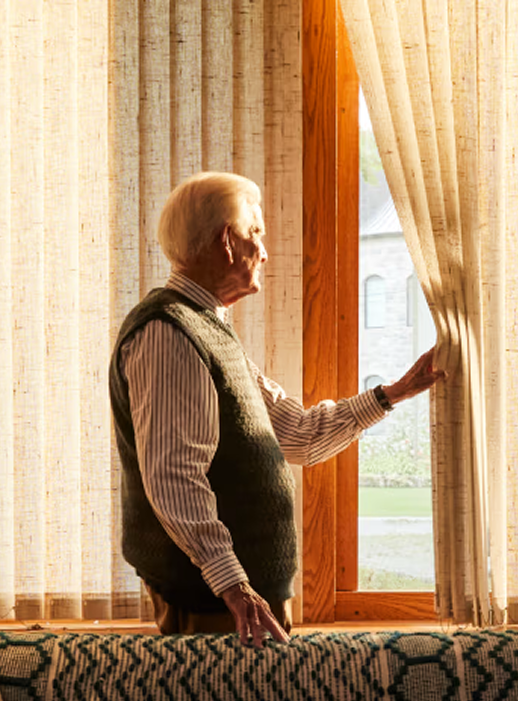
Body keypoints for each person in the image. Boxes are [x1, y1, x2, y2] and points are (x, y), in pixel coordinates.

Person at [110, 171, 442, 646]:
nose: (263, 252)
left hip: (238, 599)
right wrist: (234, 585)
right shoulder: (169, 335)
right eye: (256, 234)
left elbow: (299, 434)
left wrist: (395, 392)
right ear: (227, 241)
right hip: (216, 602)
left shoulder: (207, 329)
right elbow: (173, 476)